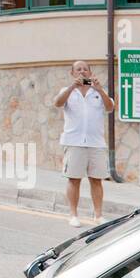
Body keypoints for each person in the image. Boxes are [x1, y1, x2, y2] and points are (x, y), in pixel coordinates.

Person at [53, 60, 115, 227]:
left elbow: (110, 108)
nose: (82, 72)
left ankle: (98, 215)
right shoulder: (67, 91)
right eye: (78, 69)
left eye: (85, 69)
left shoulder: (98, 91)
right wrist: (72, 87)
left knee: (97, 180)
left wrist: (100, 89)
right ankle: (73, 215)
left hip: (96, 143)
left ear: (90, 72)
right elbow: (57, 103)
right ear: (72, 73)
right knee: (74, 179)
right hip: (74, 142)